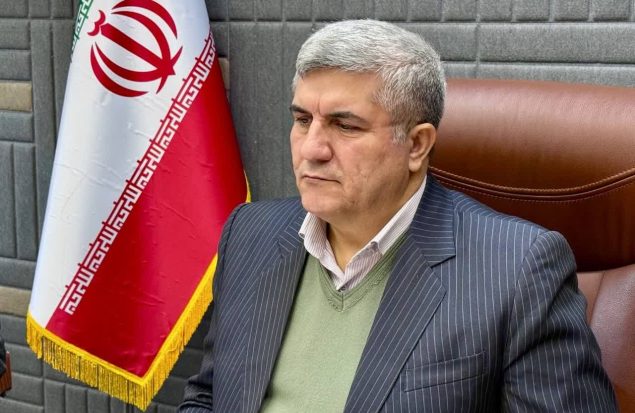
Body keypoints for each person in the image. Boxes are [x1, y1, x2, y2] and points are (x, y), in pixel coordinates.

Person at [179, 20, 617, 412]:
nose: (311, 149)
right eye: (302, 119)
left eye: (345, 126)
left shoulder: (518, 269)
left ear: (417, 145)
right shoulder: (250, 233)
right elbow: (209, 396)